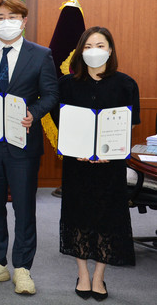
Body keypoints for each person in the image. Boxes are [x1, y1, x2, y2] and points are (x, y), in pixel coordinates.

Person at [0, 0, 58, 295]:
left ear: (24, 20)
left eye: (13, 17)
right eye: (1, 17)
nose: (6, 22)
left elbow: (51, 94)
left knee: (24, 208)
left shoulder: (41, 55)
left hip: (23, 144)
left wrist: (34, 113)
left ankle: (23, 268)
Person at [55, 27, 139, 301]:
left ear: (110, 50)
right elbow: (62, 122)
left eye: (100, 45)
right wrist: (75, 146)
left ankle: (99, 276)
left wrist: (113, 151)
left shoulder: (126, 84)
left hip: (110, 166)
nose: (94, 51)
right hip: (76, 165)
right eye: (88, 46)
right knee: (77, 216)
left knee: (107, 218)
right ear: (80, 50)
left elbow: (128, 126)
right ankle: (83, 274)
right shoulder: (66, 85)